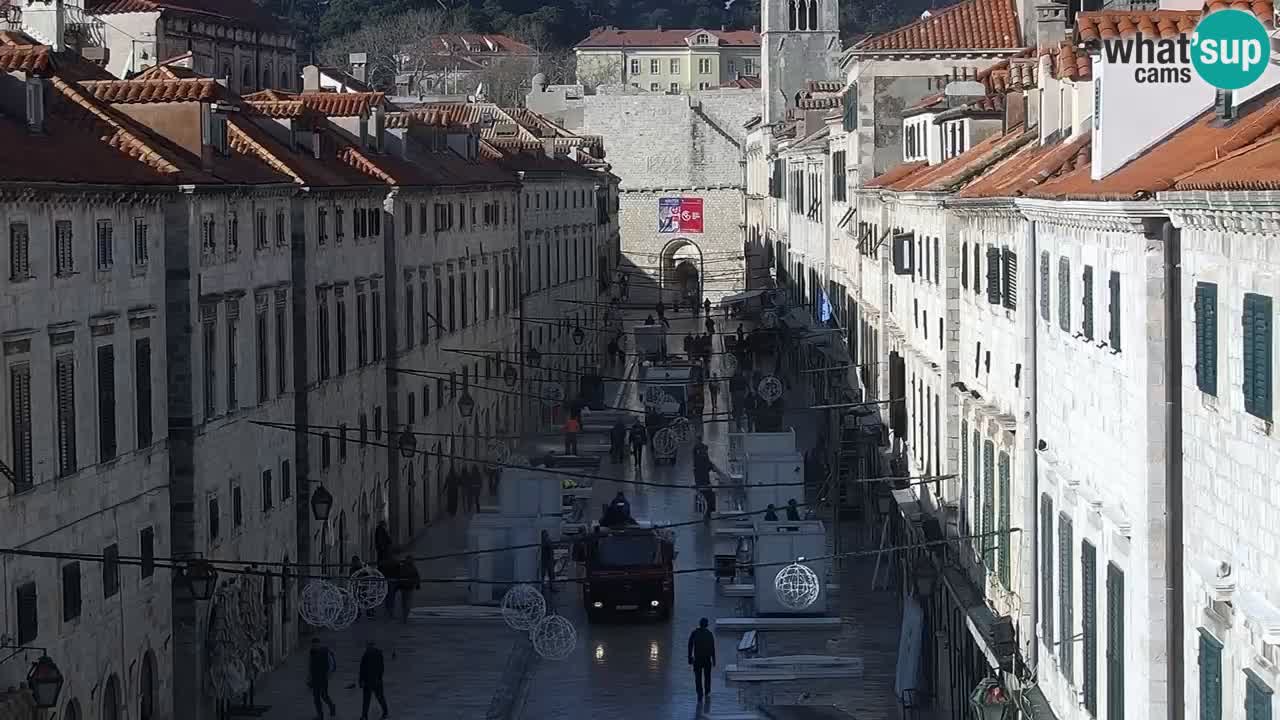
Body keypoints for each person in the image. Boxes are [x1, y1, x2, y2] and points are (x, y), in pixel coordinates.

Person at [307, 637, 337, 719]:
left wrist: (328, 674)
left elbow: (332, 664)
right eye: (313, 645)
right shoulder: (311, 652)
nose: (314, 646)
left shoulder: (325, 651)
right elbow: (310, 664)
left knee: (324, 696)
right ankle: (320, 715)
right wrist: (309, 677)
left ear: (319, 644)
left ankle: (332, 706)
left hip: (323, 678)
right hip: (315, 678)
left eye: (316, 644)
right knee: (316, 698)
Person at [358, 640, 388, 720]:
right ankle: (385, 712)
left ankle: (364, 716)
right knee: (380, 697)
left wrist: (361, 681)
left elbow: (362, 669)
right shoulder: (379, 653)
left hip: (368, 681)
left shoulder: (366, 654)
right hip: (376, 680)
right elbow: (382, 668)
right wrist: (380, 678)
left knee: (366, 699)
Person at [688, 617, 716, 700]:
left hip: (698, 659)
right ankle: (707, 692)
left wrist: (690, 657)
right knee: (707, 677)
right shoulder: (709, 634)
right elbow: (712, 648)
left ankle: (699, 693)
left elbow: (690, 646)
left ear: (700, 624)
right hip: (707, 659)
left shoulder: (695, 633)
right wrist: (714, 659)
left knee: (698, 677)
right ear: (707, 625)